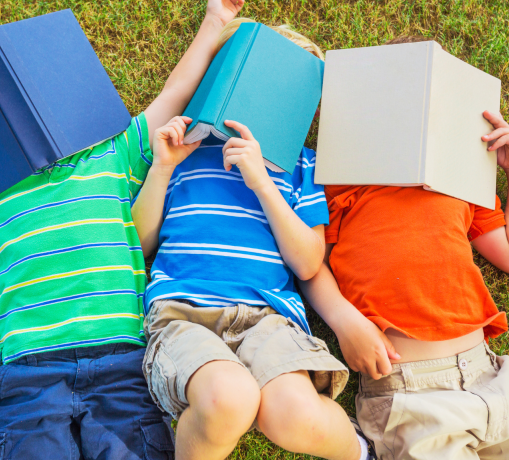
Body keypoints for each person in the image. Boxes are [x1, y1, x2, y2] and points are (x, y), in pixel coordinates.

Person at [0, 1, 245, 458]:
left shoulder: (112, 155)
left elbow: (175, 93)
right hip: (28, 371)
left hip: (122, 362)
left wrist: (214, 22)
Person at [131, 18, 375, 460]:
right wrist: (163, 167)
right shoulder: (183, 149)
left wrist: (263, 182)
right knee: (229, 399)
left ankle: (360, 450)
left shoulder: (302, 167)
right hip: (184, 315)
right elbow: (137, 246)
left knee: (298, 415)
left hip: (269, 321)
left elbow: (307, 262)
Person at [301, 35, 509, 460]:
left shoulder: (458, 179)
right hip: (409, 393)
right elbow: (308, 263)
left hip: (492, 377)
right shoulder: (337, 177)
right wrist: (344, 322)